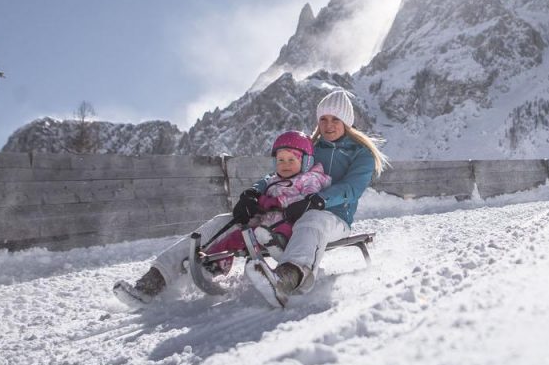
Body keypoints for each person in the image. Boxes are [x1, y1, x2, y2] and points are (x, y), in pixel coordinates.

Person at [113, 89, 388, 308]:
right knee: (224, 221)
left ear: (347, 122)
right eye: (323, 119)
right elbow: (278, 174)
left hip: (332, 215)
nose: (328, 125)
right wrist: (253, 192)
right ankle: (154, 280)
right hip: (287, 211)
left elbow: (352, 188)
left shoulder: (360, 153)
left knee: (314, 220)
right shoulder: (308, 147)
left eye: (335, 119)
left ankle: (287, 278)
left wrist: (317, 201)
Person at [113, 129, 330, 307]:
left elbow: (309, 199)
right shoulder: (272, 179)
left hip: (287, 228)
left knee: (257, 233)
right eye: (280, 159)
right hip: (260, 223)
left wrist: (278, 203)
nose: (285, 164)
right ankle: (164, 278)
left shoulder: (309, 179)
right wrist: (251, 197)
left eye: (291, 160)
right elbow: (262, 185)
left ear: (306, 162)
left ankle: (274, 254)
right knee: (230, 233)